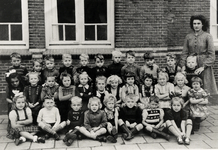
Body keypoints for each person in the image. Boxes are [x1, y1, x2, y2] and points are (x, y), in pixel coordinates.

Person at [180, 14, 218, 95]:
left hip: (203, 64)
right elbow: (184, 52)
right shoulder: (188, 37)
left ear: (202, 24)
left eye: (198, 23)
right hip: (191, 63)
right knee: (191, 84)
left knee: (204, 85)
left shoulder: (207, 36)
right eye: (194, 23)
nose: (196, 26)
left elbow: (212, 55)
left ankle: (204, 103)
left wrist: (203, 67)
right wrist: (183, 66)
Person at [5, 71, 24, 139]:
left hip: (22, 103)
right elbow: (7, 98)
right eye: (12, 82)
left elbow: (25, 96)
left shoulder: (22, 86)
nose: (15, 83)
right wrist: (13, 102)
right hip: (13, 104)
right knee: (12, 112)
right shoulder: (8, 88)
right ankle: (12, 129)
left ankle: (22, 128)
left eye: (16, 81)